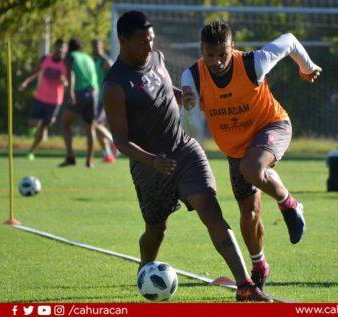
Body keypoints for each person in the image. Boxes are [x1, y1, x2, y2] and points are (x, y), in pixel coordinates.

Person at [102, 11, 272, 302]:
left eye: (151, 39)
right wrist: (152, 160)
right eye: (142, 41)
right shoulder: (115, 85)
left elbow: (162, 87)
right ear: (123, 41)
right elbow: (121, 142)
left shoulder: (156, 58)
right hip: (150, 167)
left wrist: (182, 95)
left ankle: (245, 286)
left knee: (211, 210)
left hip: (184, 150)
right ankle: (146, 269)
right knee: (156, 230)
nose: (149, 45)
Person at [181, 21, 321, 291]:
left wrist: (307, 66)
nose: (218, 62)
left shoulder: (252, 63)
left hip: (273, 126)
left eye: (223, 54)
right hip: (236, 149)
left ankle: (290, 205)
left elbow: (290, 39)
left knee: (253, 169)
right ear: (202, 50)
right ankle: (259, 264)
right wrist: (188, 110)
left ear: (232, 47)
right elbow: (191, 127)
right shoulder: (192, 77)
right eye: (210, 55)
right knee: (249, 212)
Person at [19, 39, 68, 160]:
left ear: (65, 50)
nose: (60, 50)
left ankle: (31, 152)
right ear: (54, 48)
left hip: (54, 101)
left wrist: (64, 81)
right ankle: (33, 129)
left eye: (62, 48)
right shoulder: (45, 59)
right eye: (58, 47)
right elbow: (35, 72)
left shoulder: (66, 64)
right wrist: (25, 82)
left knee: (44, 126)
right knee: (32, 123)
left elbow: (68, 82)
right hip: (40, 97)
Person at [60, 38, 100, 168]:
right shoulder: (88, 57)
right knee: (90, 127)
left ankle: (70, 157)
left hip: (79, 93)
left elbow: (71, 73)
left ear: (70, 48)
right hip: (94, 93)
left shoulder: (70, 56)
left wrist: (70, 92)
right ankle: (90, 160)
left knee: (65, 123)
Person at [91, 39, 118, 163]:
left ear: (102, 46)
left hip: (104, 99)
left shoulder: (104, 60)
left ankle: (113, 141)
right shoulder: (94, 61)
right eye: (93, 46)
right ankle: (107, 155)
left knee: (95, 124)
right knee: (96, 128)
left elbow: (115, 75)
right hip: (95, 98)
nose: (95, 48)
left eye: (97, 46)